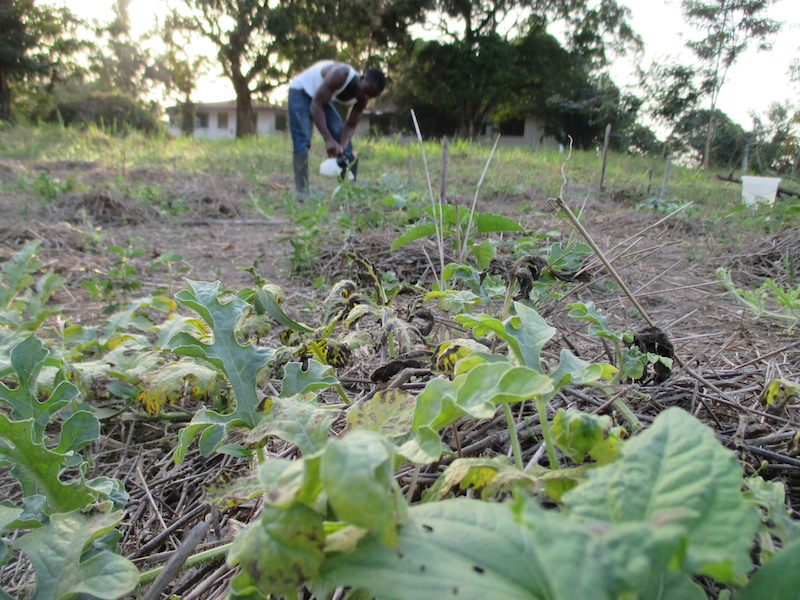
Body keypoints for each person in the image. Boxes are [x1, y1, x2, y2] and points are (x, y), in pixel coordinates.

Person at [288, 61, 386, 197]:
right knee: (302, 139)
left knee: (346, 146)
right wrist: (328, 139)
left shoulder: (363, 98)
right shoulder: (341, 74)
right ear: (362, 78)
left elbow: (351, 125)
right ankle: (301, 193)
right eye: (366, 91)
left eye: (371, 96)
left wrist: (341, 146)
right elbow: (315, 105)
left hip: (321, 99)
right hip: (301, 92)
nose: (365, 96)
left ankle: (346, 192)